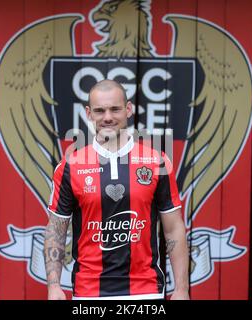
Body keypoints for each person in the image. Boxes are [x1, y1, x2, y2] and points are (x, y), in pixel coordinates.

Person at [44, 79, 189, 300]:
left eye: (115, 109)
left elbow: (173, 228)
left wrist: (181, 289)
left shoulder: (156, 161)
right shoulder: (70, 166)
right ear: (89, 113)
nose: (108, 117)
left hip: (146, 292)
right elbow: (56, 230)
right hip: (89, 293)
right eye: (100, 110)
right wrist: (53, 286)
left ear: (128, 109)